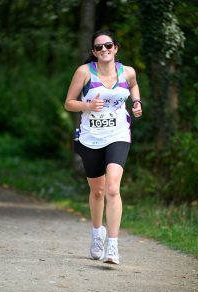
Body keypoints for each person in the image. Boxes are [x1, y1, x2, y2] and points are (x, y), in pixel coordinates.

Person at [64, 30, 142, 265]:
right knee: (97, 191)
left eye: (108, 45)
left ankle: (113, 247)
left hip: (118, 134)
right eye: (99, 47)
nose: (104, 50)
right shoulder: (84, 72)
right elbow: (68, 103)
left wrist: (136, 102)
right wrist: (87, 105)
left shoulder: (127, 72)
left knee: (112, 188)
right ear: (94, 52)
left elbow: (134, 86)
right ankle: (98, 234)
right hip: (91, 138)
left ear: (116, 48)